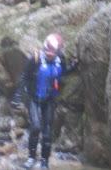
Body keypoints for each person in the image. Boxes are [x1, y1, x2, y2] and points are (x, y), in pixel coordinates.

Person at [11, 33, 78, 169]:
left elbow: (62, 72)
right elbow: (24, 77)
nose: (49, 54)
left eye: (52, 52)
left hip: (49, 99)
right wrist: (17, 96)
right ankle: (31, 158)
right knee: (36, 127)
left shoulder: (60, 60)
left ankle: (44, 161)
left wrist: (73, 66)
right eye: (47, 51)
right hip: (34, 98)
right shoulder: (35, 59)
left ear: (58, 51)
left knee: (47, 132)